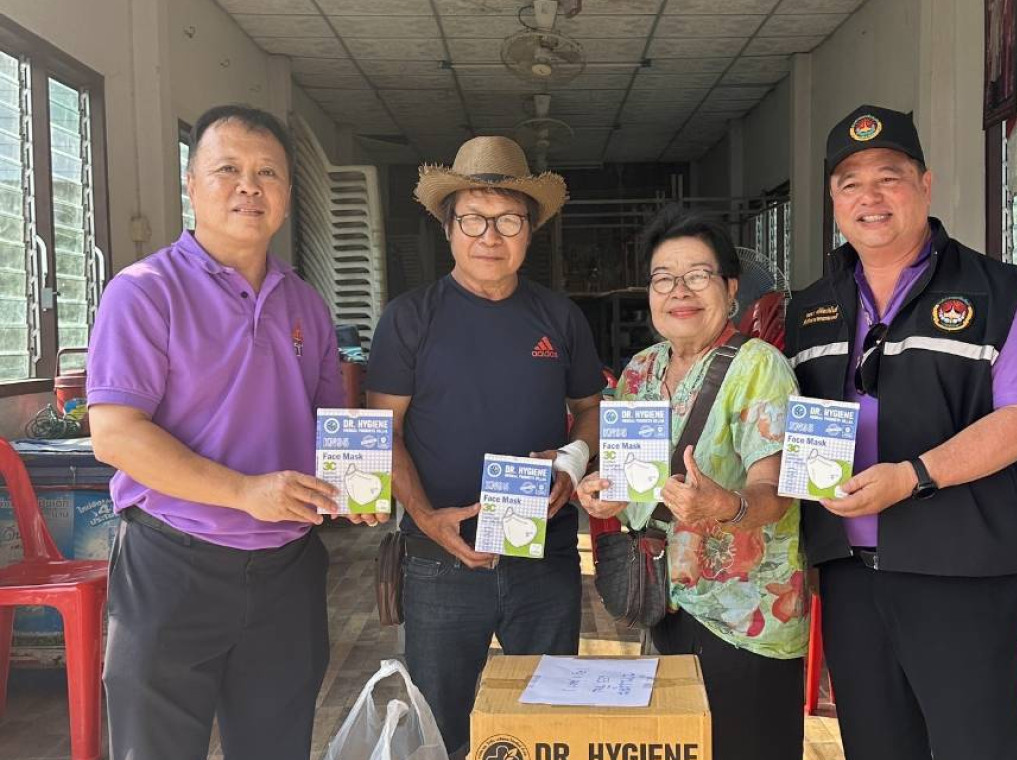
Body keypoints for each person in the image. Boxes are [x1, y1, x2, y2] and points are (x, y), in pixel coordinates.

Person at [88, 105, 375, 759]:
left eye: (267, 172)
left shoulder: (305, 303)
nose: (249, 186)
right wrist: (245, 492)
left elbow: (328, 426)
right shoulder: (144, 292)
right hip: (172, 566)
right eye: (228, 170)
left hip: (287, 571)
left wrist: (354, 485)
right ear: (190, 185)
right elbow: (116, 435)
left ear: (286, 196)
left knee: (276, 745)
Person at [784, 105, 1017, 760]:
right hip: (849, 572)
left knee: (977, 744)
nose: (870, 197)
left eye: (890, 177)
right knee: (876, 744)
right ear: (834, 200)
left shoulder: (999, 293)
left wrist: (912, 477)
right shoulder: (811, 307)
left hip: (961, 566)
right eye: (851, 183)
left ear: (926, 184)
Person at [366, 136, 603, 757]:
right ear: (448, 228)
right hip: (438, 563)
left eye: (508, 220)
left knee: (547, 728)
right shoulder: (409, 318)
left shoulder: (560, 317)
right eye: (473, 218)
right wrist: (424, 517)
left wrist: (572, 462)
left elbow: (590, 410)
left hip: (544, 557)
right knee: (439, 727)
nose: (490, 236)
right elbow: (384, 432)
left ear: (530, 230)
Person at [577, 205, 806, 760]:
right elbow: (633, 483)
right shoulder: (641, 370)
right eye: (664, 278)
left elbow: (777, 491)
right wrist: (605, 494)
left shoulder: (759, 367)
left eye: (698, 275)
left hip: (744, 617)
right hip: (666, 602)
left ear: (731, 289)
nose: (680, 291)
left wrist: (723, 505)